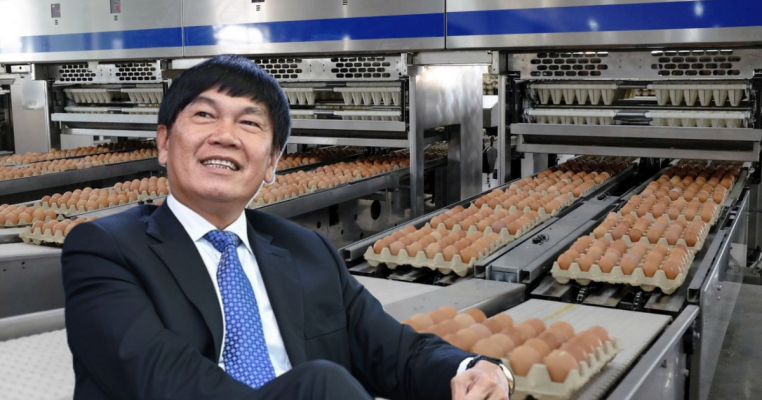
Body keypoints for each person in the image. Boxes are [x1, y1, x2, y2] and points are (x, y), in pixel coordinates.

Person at [62, 54, 513, 400]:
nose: (225, 135)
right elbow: (160, 378)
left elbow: (395, 352)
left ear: (272, 163)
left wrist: (479, 369)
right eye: (204, 115)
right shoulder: (105, 248)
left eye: (250, 123)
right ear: (163, 143)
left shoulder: (306, 251)